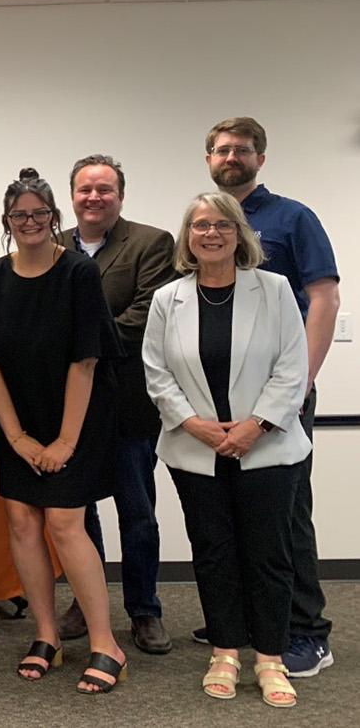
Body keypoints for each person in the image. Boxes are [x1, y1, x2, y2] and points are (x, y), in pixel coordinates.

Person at [142, 192, 309, 708]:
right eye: (199, 226)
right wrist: (197, 425)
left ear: (240, 233)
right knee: (213, 552)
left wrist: (253, 427)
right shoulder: (168, 299)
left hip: (267, 446)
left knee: (268, 553)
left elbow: (292, 366)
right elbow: (156, 371)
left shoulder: (274, 289)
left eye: (221, 225)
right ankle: (224, 651)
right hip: (196, 449)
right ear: (187, 237)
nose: (210, 233)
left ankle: (270, 658)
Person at [0, 168, 127, 694]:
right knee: (20, 520)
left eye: (40, 214)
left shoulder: (79, 273)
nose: (31, 222)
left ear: (55, 218)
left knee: (64, 521)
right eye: (21, 215)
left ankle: (106, 643)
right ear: (7, 222)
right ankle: (47, 635)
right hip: (17, 418)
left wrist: (63, 441)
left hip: (75, 416)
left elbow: (86, 361)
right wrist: (14, 438)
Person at [202, 116, 340, 678]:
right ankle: (245, 623)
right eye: (220, 149)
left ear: (260, 157)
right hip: (219, 402)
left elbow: (324, 300)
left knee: (286, 515)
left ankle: (306, 632)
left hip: (282, 395)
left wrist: (298, 387)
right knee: (234, 513)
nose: (230, 156)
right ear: (207, 158)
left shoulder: (293, 218)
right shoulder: (206, 222)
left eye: (241, 149)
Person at [54, 156, 177, 655]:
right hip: (68, 407)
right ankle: (86, 603)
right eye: (85, 189)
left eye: (104, 189)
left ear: (120, 195)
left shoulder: (151, 243)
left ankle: (145, 609)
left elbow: (148, 312)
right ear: (72, 195)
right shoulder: (52, 244)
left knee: (137, 512)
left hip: (127, 400)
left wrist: (81, 345)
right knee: (77, 514)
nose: (94, 197)